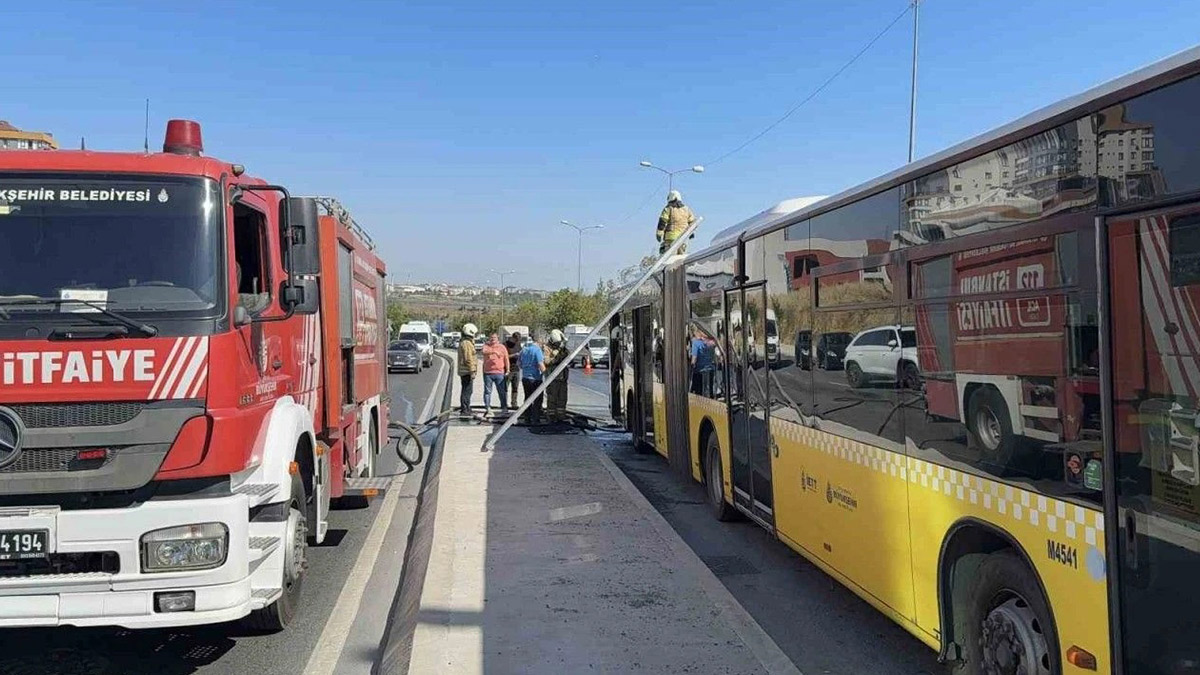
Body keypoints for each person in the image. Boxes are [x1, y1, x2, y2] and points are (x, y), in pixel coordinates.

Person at [656, 190, 696, 256]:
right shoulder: (687, 209)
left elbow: (662, 222)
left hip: (670, 238)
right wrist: (691, 233)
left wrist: (659, 233)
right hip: (683, 238)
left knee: (670, 260)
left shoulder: (668, 209)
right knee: (680, 259)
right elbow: (692, 222)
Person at [518, 336, 546, 424]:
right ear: (539, 342)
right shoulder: (537, 350)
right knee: (537, 399)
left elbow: (519, 363)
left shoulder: (524, 350)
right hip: (535, 378)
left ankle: (527, 418)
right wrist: (547, 375)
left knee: (527, 398)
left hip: (525, 378)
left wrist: (526, 368)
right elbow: (540, 364)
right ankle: (536, 419)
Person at [481, 332, 509, 416]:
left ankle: (504, 407)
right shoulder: (486, 346)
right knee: (487, 392)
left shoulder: (502, 347)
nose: (493, 339)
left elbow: (506, 359)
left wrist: (507, 369)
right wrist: (494, 352)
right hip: (488, 373)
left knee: (502, 391)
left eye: (494, 337)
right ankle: (488, 408)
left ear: (498, 338)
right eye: (491, 337)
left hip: (499, 372)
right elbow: (484, 352)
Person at [544, 329, 569, 422]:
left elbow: (568, 356)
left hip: (563, 378)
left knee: (562, 398)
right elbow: (547, 361)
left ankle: (561, 416)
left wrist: (563, 350)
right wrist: (557, 356)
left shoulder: (563, 349)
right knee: (552, 398)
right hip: (552, 378)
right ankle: (551, 416)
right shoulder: (546, 348)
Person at [457, 323, 479, 416]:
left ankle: (467, 408)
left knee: (467, 390)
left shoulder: (465, 342)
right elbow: (468, 358)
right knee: (467, 391)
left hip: (465, 371)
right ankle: (465, 409)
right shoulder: (467, 343)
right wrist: (472, 371)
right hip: (466, 371)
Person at [690, 328, 716, 396]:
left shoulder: (695, 343)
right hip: (710, 369)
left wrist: (692, 366)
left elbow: (694, 358)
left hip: (699, 370)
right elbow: (714, 356)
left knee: (699, 392)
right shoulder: (711, 343)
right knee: (710, 390)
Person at [505, 332, 522, 407]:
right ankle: (504, 403)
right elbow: (504, 357)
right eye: (516, 339)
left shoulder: (518, 344)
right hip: (508, 369)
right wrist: (514, 355)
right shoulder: (506, 344)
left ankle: (514, 403)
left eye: (518, 340)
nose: (516, 341)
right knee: (505, 387)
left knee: (515, 387)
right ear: (513, 338)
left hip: (516, 369)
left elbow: (520, 353)